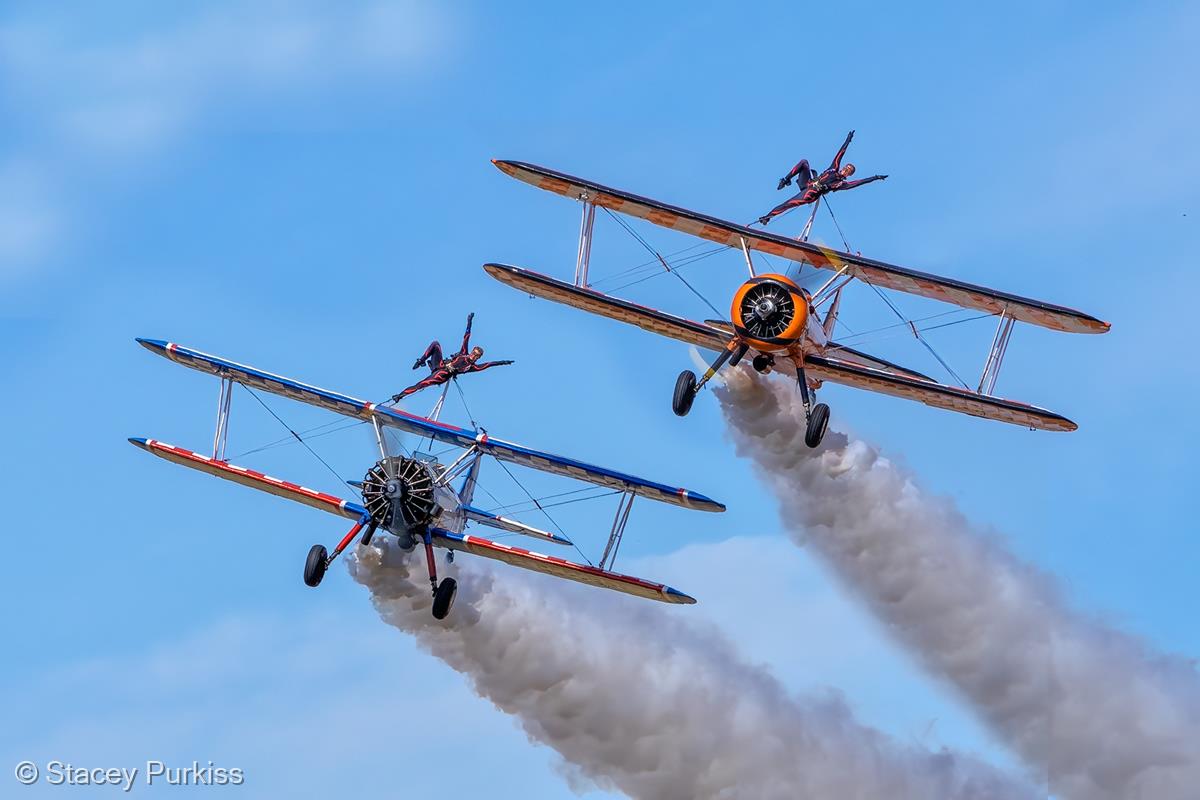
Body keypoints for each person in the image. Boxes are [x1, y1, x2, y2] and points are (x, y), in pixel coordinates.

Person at [758, 130, 887, 225]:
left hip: (811, 193)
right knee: (804, 162)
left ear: (849, 175)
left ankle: (766, 218)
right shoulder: (834, 168)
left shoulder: (841, 184)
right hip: (807, 183)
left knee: (787, 204)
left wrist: (875, 177)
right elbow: (840, 153)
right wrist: (848, 140)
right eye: (846, 167)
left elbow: (859, 183)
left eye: (848, 171)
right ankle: (785, 180)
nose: (845, 169)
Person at [391, 313, 514, 402]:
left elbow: (489, 364)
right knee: (436, 344)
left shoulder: (472, 367)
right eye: (473, 353)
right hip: (439, 365)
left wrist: (503, 362)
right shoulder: (464, 353)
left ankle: (399, 396)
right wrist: (469, 321)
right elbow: (466, 336)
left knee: (422, 384)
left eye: (476, 355)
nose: (473, 355)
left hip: (443, 374)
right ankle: (421, 361)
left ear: (478, 357)